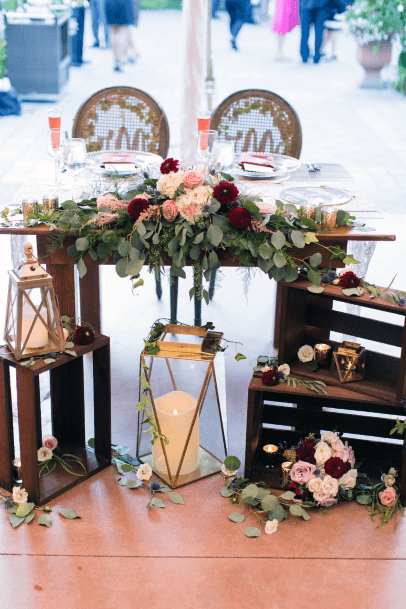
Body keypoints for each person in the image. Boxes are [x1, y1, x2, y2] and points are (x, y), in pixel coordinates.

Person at [105, 0, 135, 71]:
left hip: (109, 3)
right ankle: (120, 59)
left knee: (113, 30)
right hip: (123, 3)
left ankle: (116, 59)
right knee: (123, 29)